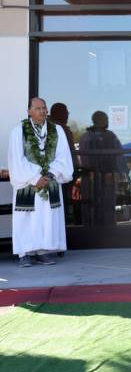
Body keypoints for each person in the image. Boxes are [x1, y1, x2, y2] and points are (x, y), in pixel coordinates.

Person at [8, 97, 74, 267]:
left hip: (50, 180)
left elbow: (63, 156)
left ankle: (44, 251)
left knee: (47, 217)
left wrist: (51, 174)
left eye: (44, 108)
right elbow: (17, 159)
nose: (42, 111)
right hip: (28, 183)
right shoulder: (19, 131)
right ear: (29, 111)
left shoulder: (56, 130)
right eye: (38, 108)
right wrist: (35, 177)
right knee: (26, 217)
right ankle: (25, 253)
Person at [78, 111, 127, 227]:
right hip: (92, 177)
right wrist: (90, 173)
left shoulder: (111, 136)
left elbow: (119, 155)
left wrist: (116, 173)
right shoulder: (87, 137)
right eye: (105, 119)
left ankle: (108, 229)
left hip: (107, 177)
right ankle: (91, 228)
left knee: (108, 203)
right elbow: (83, 157)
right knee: (91, 204)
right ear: (97, 120)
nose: (107, 121)